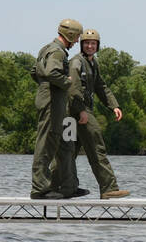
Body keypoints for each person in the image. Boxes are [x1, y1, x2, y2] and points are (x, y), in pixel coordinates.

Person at [65, 29, 131, 199]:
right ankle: (108, 188)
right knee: (86, 148)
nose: (90, 46)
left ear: (97, 46)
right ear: (81, 45)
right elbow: (73, 89)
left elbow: (101, 87)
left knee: (68, 151)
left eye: (93, 43)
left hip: (78, 112)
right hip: (75, 112)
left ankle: (64, 186)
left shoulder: (93, 63)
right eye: (87, 43)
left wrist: (114, 106)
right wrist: (81, 111)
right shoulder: (76, 63)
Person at [32, 19, 83, 199]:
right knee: (46, 144)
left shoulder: (47, 49)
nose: (77, 41)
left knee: (62, 144)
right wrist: (67, 83)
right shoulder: (58, 52)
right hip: (52, 101)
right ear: (69, 35)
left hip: (51, 98)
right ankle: (40, 188)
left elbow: (35, 71)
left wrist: (44, 87)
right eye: (76, 37)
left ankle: (67, 186)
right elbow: (51, 73)